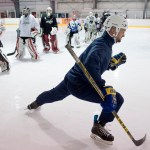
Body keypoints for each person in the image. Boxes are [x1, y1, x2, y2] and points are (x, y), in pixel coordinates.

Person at [27, 15, 128, 145]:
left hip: (72, 78)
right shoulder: (102, 47)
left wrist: (110, 63)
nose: (124, 35)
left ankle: (37, 102)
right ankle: (99, 127)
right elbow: (91, 68)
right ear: (114, 30)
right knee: (117, 99)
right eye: (123, 31)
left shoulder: (103, 42)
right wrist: (105, 88)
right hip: (80, 85)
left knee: (55, 94)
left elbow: (94, 62)